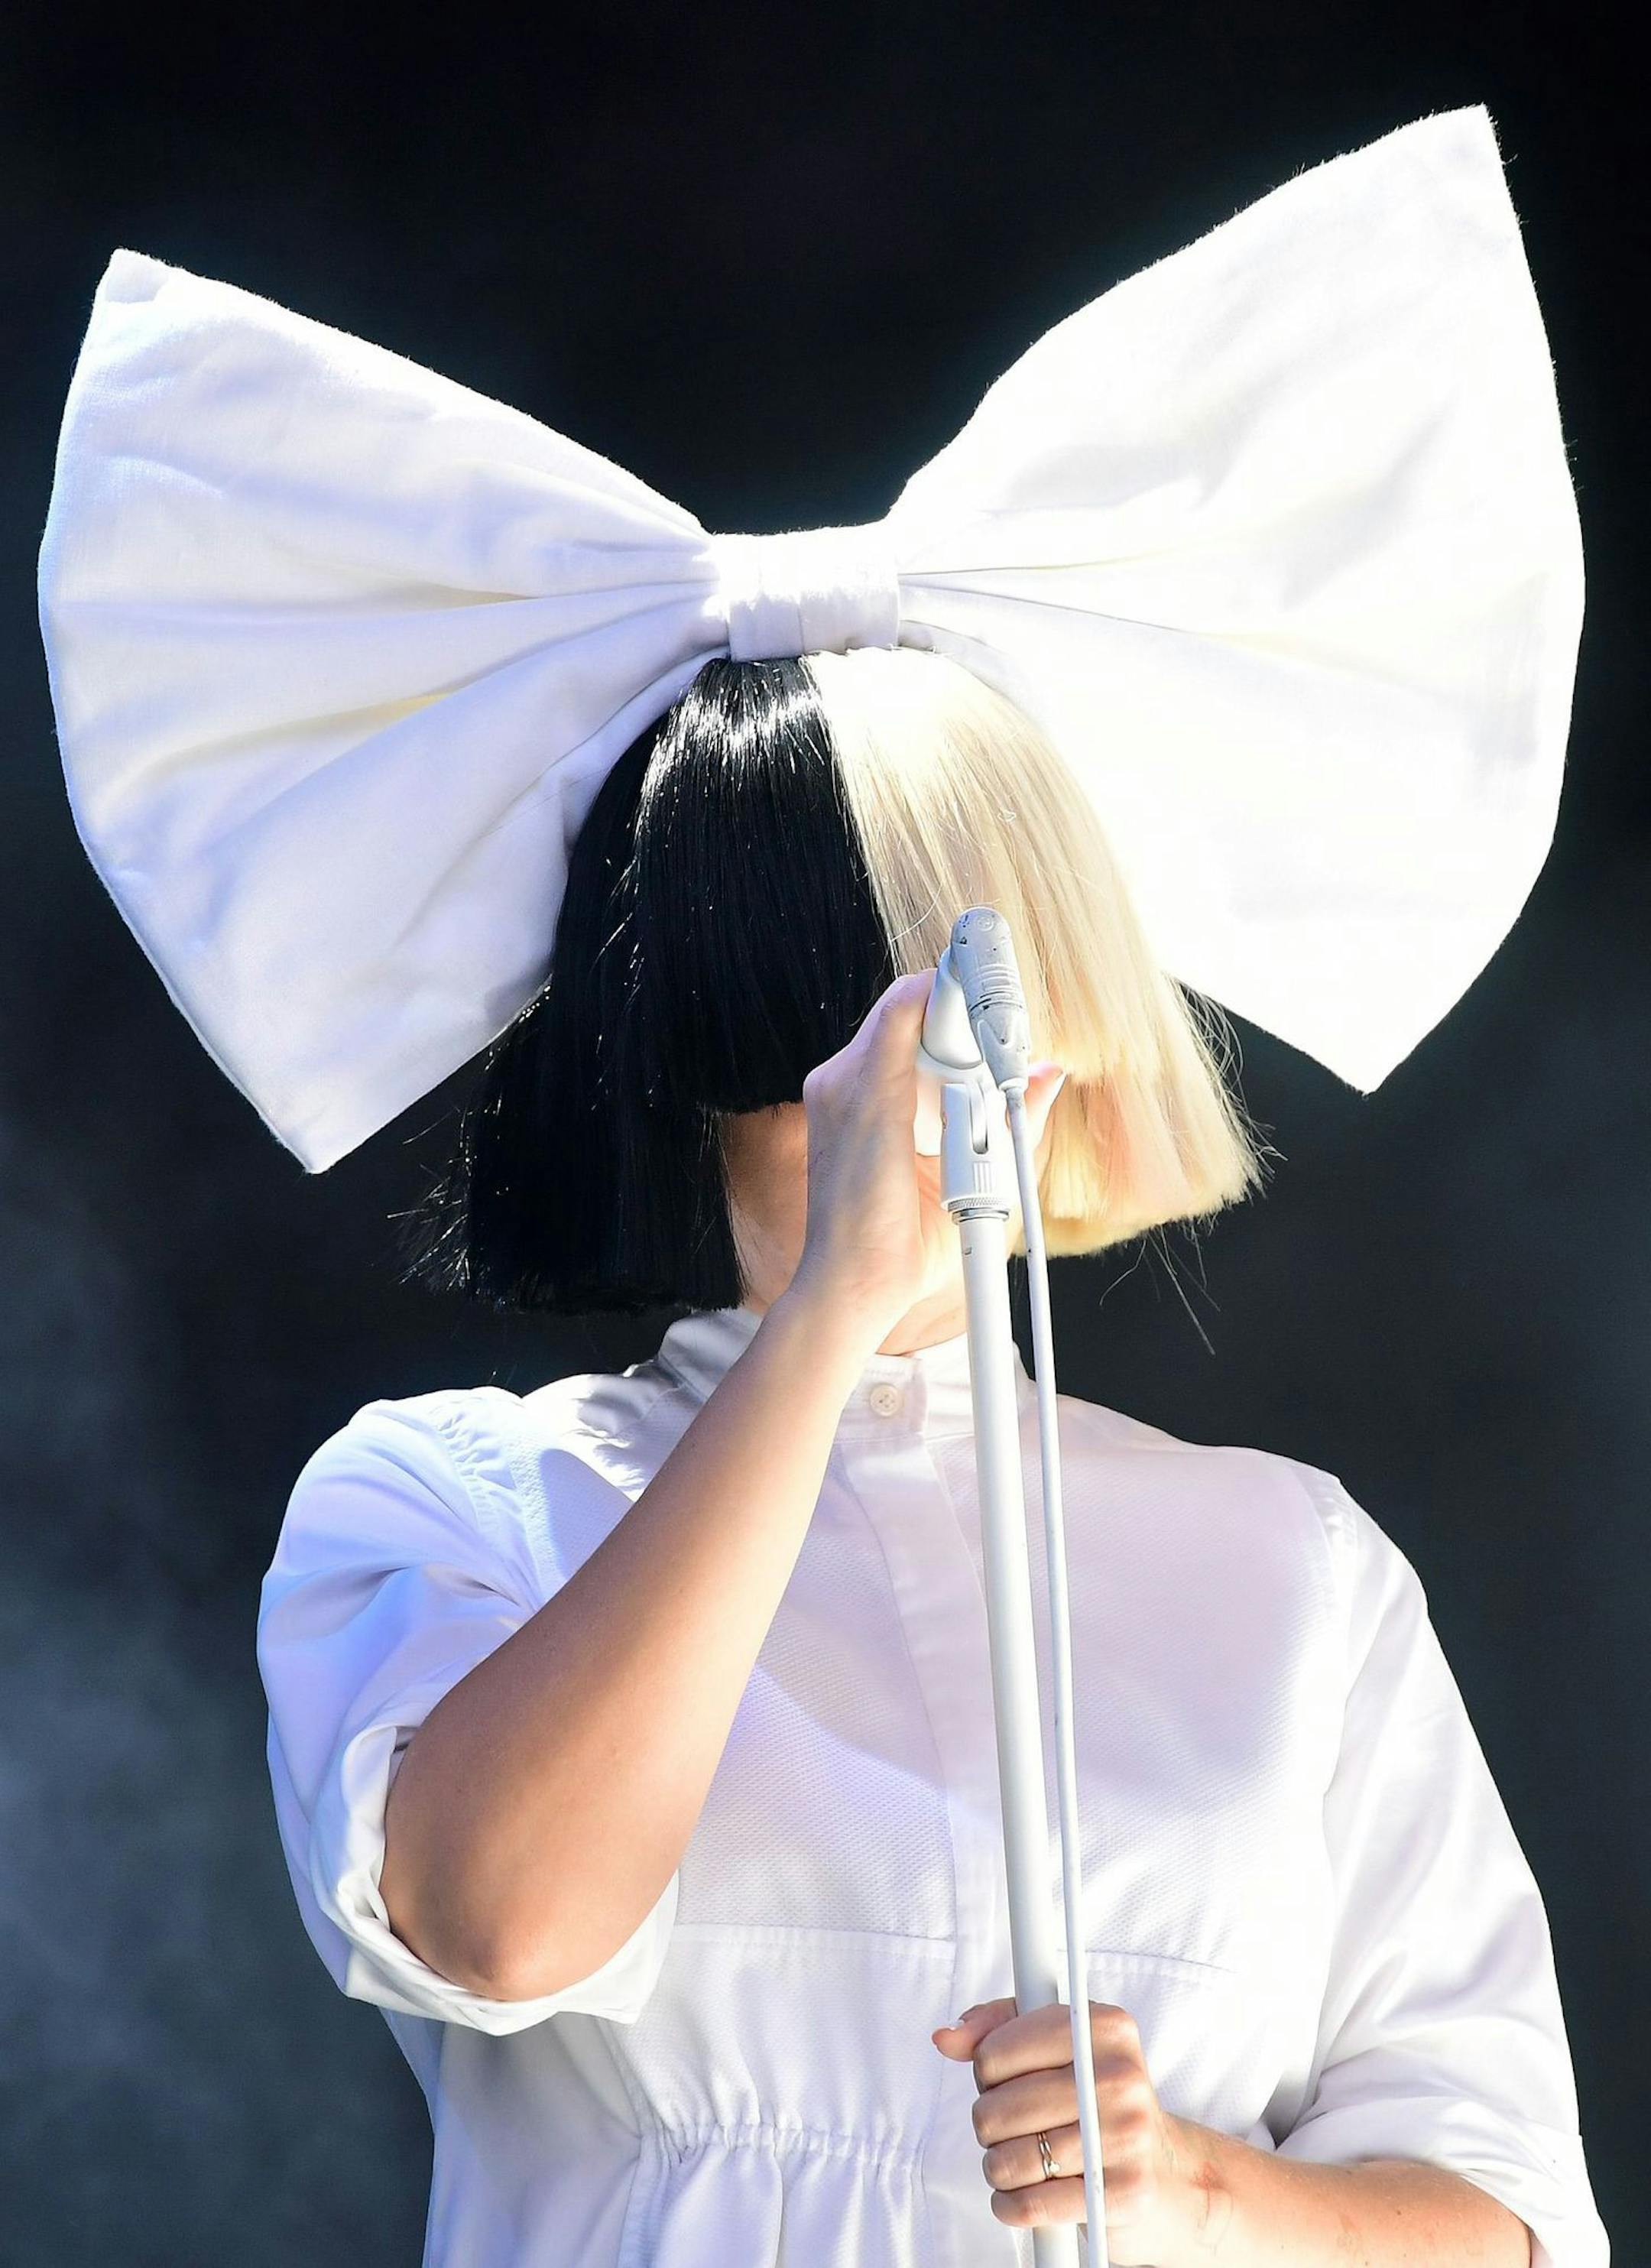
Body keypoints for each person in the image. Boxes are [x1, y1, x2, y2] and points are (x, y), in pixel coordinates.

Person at [255, 651, 1608, 2267]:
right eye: (844, 1029)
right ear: (698, 1055)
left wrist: (1188, 2180)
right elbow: (501, 1919)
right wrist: (832, 1303)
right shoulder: (454, 1497)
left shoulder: (1297, 1562)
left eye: (992, 1015)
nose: (939, 1090)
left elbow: (1508, 2217)